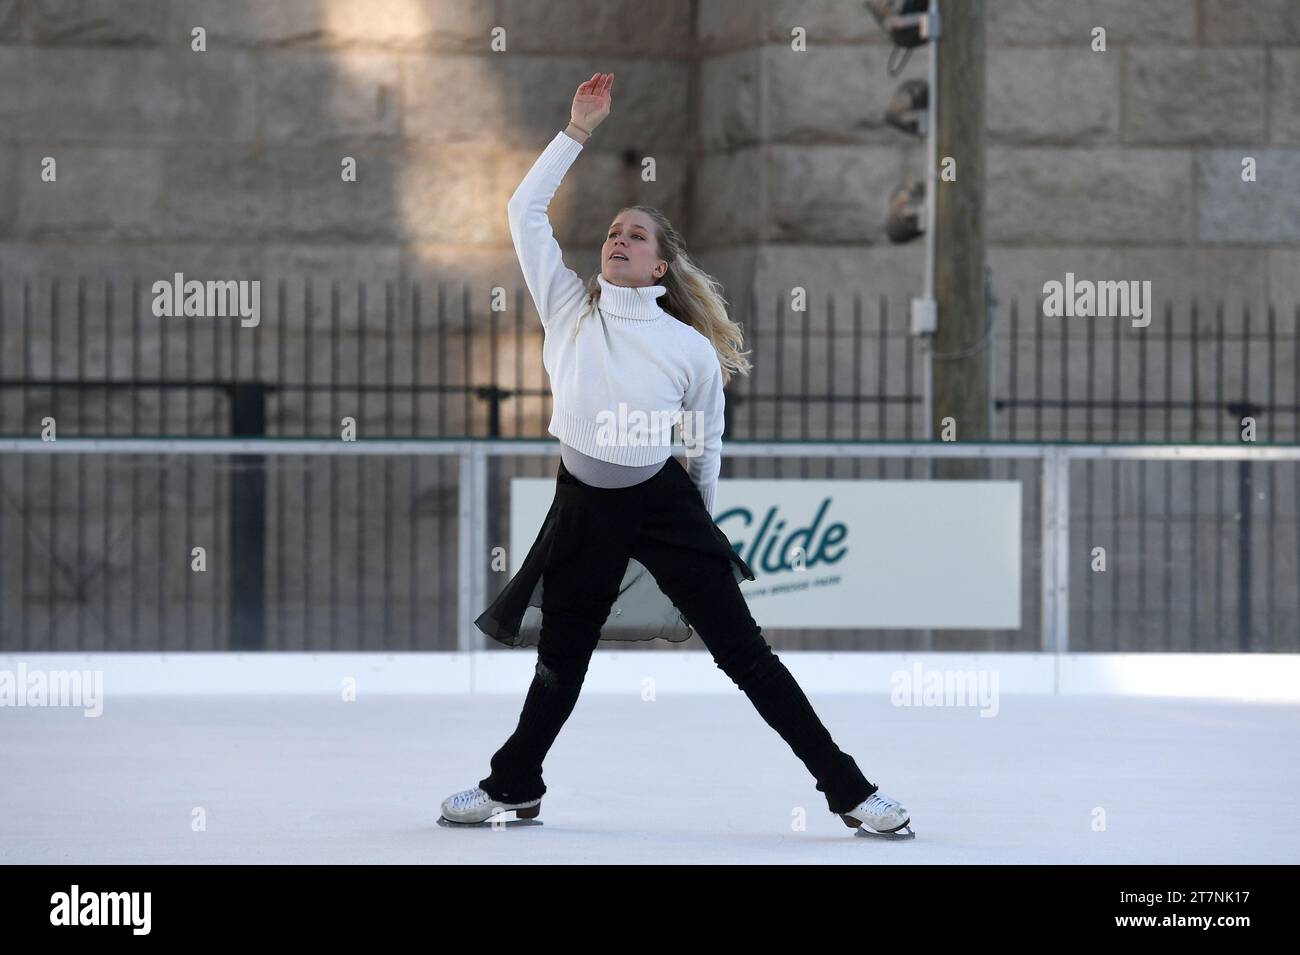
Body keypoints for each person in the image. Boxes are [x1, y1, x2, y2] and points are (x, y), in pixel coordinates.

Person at [440, 73, 912, 838]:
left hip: (664, 507)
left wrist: (706, 532)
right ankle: (514, 785)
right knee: (561, 659)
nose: (617, 239)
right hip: (583, 505)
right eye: (613, 232)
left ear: (660, 266)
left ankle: (853, 791)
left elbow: (705, 444)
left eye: (636, 235)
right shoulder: (567, 307)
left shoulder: (687, 348)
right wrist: (576, 131)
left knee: (748, 658)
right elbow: (522, 211)